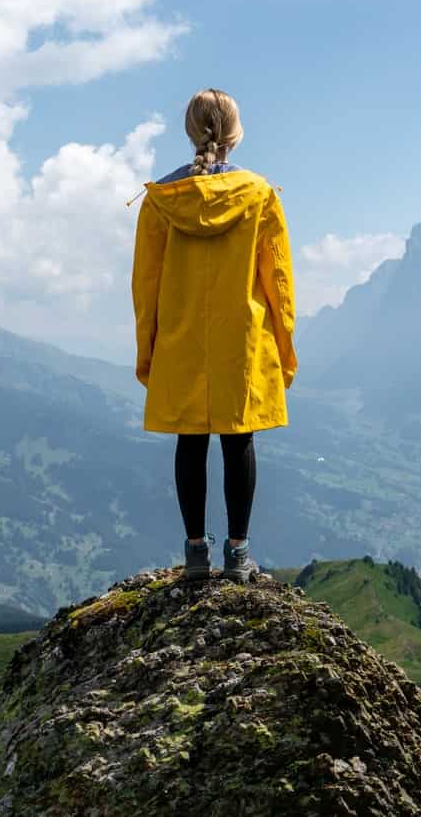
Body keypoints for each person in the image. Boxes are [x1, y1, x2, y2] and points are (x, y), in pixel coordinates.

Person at [131, 88, 297, 583]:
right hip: (241, 339)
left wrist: (149, 350)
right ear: (235, 134)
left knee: (190, 439)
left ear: (190, 131)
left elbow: (146, 284)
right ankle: (239, 553)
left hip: (181, 336)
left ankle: (196, 555)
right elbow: (279, 283)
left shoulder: (161, 202)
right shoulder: (259, 195)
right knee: (237, 438)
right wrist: (284, 347)